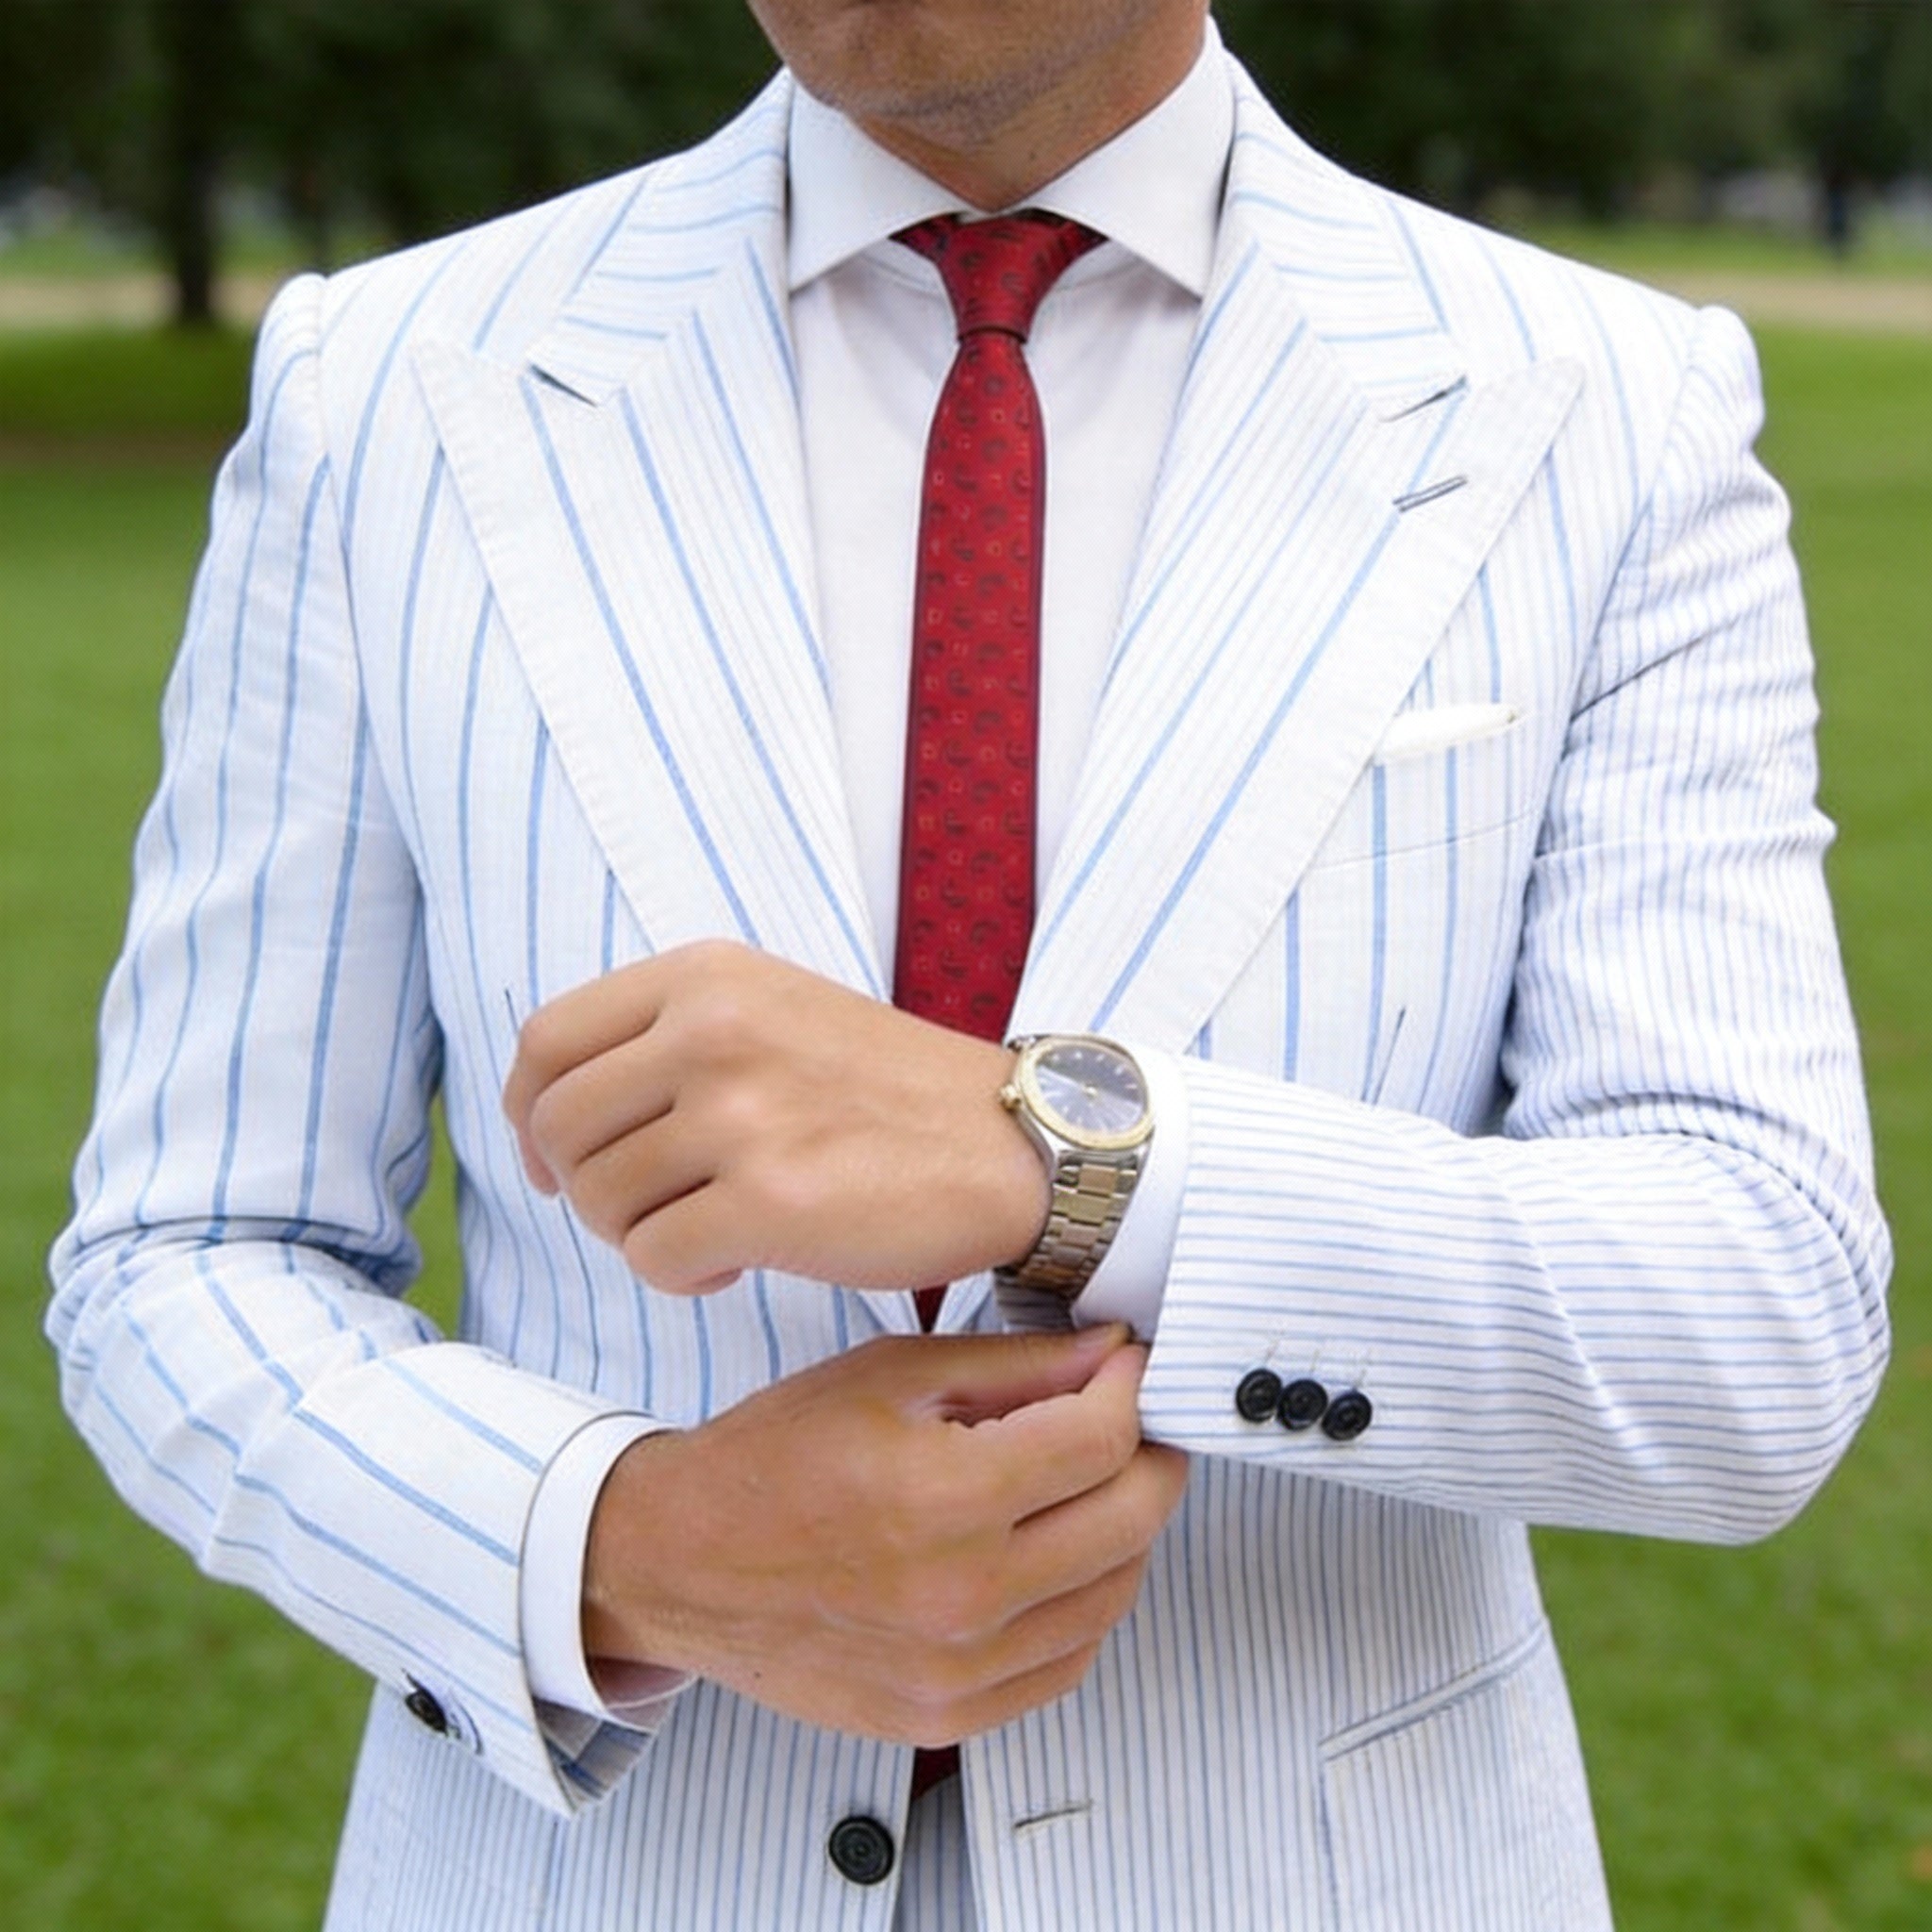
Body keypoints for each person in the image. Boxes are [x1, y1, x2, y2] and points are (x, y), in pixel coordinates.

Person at [48, 1, 1891, 1926]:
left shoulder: (1600, 405)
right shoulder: (396, 387)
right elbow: (183, 1256)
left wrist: (1067, 1158)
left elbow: (1752, 1311)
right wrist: (625, 1546)